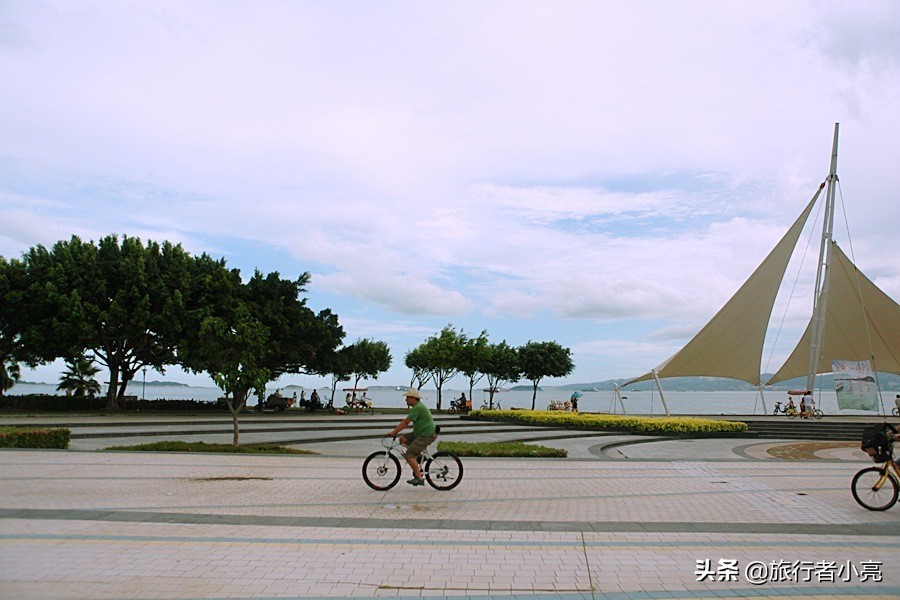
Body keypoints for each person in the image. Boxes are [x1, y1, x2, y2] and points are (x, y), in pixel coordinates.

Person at [386, 389, 437, 486]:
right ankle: (421, 456)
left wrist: (393, 432)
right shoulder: (416, 407)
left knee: (409, 454)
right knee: (403, 439)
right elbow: (405, 422)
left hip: (426, 435)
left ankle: (419, 478)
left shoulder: (418, 407)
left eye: (407, 398)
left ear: (413, 398)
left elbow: (405, 422)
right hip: (419, 433)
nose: (406, 400)